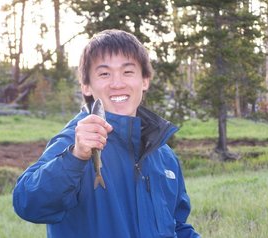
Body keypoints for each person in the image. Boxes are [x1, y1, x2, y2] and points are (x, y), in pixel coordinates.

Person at [13, 29, 201, 238]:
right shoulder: (74, 143)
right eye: (104, 73)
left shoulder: (164, 155)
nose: (117, 83)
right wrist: (75, 157)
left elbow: (177, 227)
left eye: (128, 71)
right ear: (86, 86)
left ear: (145, 80)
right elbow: (28, 204)